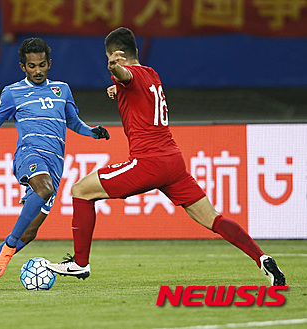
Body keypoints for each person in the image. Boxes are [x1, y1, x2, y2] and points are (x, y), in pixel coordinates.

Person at [46, 27, 286, 286]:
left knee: (81, 190)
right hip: (173, 163)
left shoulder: (128, 74)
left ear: (117, 54)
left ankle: (80, 263)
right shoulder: (151, 74)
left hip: (148, 162)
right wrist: (118, 85)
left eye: (110, 56)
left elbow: (125, 75)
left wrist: (115, 70)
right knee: (213, 218)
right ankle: (263, 259)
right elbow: (133, 85)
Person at [0, 37, 110, 289]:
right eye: (32, 66)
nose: (38, 70)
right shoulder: (12, 93)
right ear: (23, 67)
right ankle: (9, 246)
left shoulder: (62, 89)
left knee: (30, 231)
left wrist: (92, 131)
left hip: (54, 165)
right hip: (29, 156)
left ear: (49, 63)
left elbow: (73, 122)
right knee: (43, 189)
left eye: (42, 65)